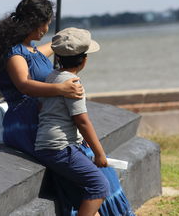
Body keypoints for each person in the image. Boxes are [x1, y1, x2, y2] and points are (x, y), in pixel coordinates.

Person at [35, 27, 135, 216]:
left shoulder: (50, 78)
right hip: (61, 148)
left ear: (58, 57)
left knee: (85, 194)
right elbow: (82, 120)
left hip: (47, 145)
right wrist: (99, 154)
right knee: (100, 186)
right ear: (84, 59)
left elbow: (42, 108)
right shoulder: (73, 84)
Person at [0, 0, 83, 156]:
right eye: (47, 24)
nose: (47, 29)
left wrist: (61, 42)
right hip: (25, 124)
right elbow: (24, 84)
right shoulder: (15, 53)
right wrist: (61, 88)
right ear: (36, 23)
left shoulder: (29, 49)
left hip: (36, 119)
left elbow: (38, 56)